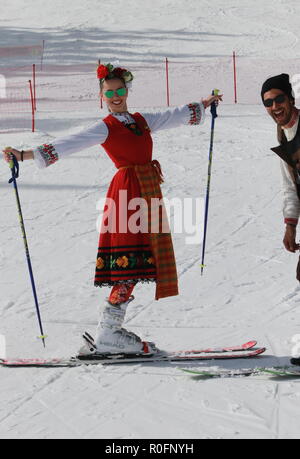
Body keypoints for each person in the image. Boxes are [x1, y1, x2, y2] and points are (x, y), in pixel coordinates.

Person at [3, 62, 222, 357]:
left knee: (143, 260)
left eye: (120, 90)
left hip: (148, 190)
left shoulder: (142, 121)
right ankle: (108, 333)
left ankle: (110, 331)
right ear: (102, 96)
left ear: (127, 91)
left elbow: (173, 115)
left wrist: (203, 105)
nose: (116, 96)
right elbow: (68, 143)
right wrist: (25, 155)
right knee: (129, 262)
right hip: (127, 194)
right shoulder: (104, 127)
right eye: (110, 92)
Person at [262, 73, 300, 268]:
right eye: (268, 103)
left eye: (279, 99)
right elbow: (291, 186)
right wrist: (290, 225)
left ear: (291, 99)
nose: (274, 106)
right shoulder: (284, 136)